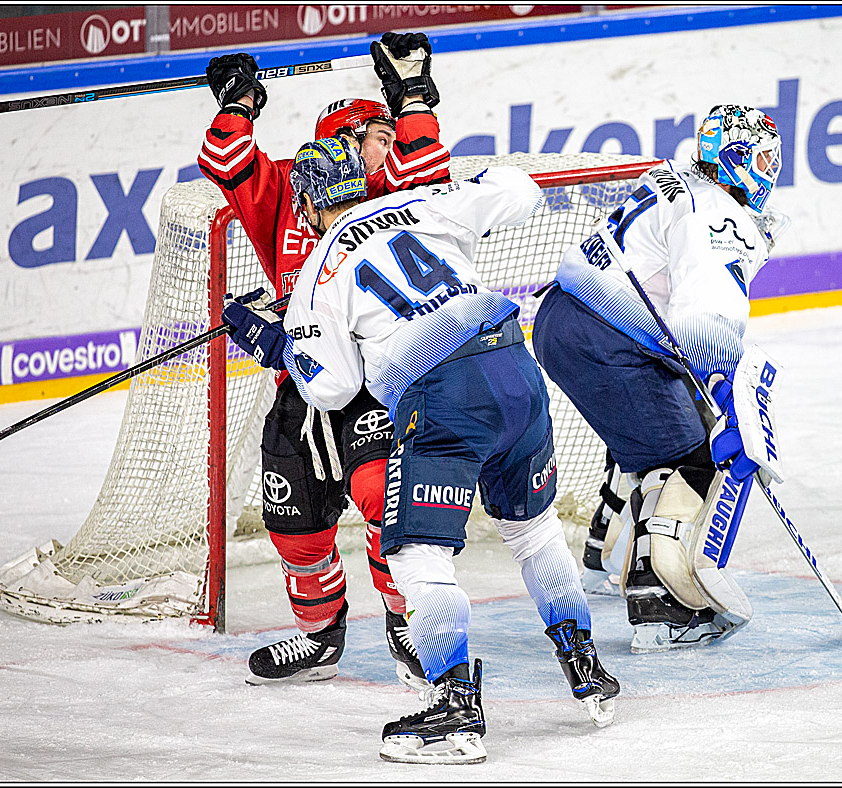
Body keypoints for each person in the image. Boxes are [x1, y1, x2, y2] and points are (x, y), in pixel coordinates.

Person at [221, 142, 620, 763]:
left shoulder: (318, 270)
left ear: (304, 204)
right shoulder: (421, 203)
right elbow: (520, 191)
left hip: (443, 393)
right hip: (515, 366)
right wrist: (468, 185)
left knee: (414, 553)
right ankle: (584, 667)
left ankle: (456, 710)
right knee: (533, 532)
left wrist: (277, 344)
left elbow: (331, 386)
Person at [197, 32, 450, 687]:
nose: (391, 146)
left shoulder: (393, 192)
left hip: (377, 384)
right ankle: (319, 638)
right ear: (349, 136)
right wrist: (240, 101)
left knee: (385, 505)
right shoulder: (284, 187)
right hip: (300, 386)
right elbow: (223, 154)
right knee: (294, 530)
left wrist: (410, 96)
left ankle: (407, 628)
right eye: (381, 134)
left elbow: (430, 164)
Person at [531, 104, 789, 653]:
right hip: (605, 337)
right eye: (764, 158)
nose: (772, 171)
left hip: (564, 319)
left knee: (648, 427)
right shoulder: (719, 215)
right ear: (735, 159)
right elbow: (702, 320)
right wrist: (726, 392)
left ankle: (606, 550)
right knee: (689, 459)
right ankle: (661, 607)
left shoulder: (675, 179)